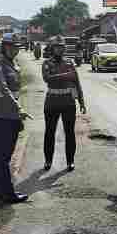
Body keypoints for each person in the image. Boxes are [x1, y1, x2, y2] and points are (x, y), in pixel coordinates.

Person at [0, 33, 29, 203]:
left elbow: (16, 91)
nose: (13, 50)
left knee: (3, 155)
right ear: (3, 47)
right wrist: (19, 108)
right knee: (3, 157)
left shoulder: (14, 65)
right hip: (2, 115)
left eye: (16, 47)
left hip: (11, 115)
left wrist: (17, 110)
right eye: (10, 47)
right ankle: (8, 193)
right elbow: (4, 89)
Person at [42, 35, 86, 172]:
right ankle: (48, 161)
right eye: (57, 47)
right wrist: (66, 75)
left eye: (61, 47)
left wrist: (81, 101)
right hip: (52, 101)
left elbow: (76, 82)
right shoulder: (47, 63)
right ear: (52, 48)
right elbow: (48, 79)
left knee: (70, 133)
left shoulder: (70, 63)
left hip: (68, 101)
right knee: (50, 132)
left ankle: (70, 161)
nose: (59, 50)